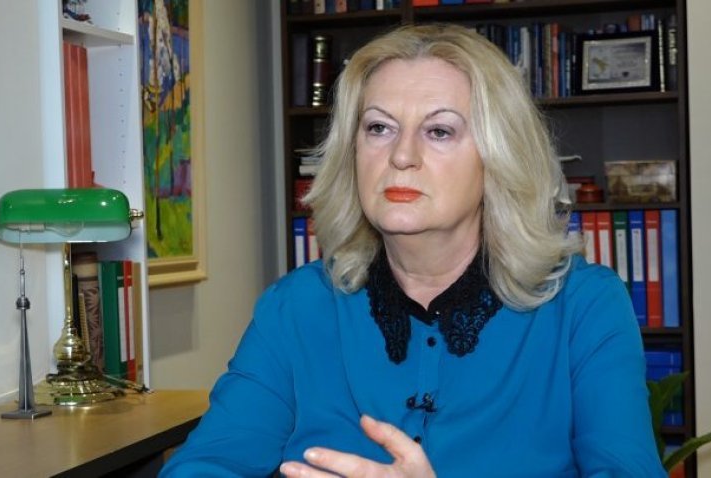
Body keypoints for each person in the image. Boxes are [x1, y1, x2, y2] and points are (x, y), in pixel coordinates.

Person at [160, 24, 665, 477]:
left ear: (498, 155)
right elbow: (205, 463)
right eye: (378, 128)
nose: (401, 156)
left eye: (439, 131)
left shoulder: (584, 305)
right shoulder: (295, 306)